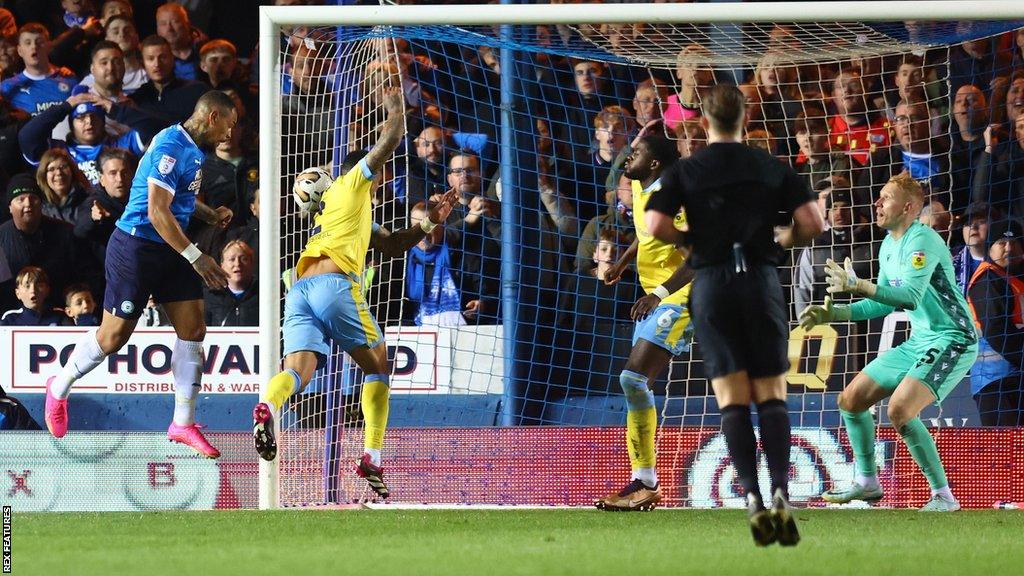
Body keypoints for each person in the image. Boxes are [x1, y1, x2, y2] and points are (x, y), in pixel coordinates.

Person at [252, 87, 458, 499]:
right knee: (378, 367)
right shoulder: (349, 186)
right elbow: (388, 143)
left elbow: (394, 245)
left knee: (298, 371)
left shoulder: (341, 218)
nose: (379, 179)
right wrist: (397, 110)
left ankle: (267, 408)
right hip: (333, 286)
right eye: (375, 175)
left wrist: (430, 222)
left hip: (299, 289)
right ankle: (372, 457)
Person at [645, 85, 825, 545]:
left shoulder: (686, 169)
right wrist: (783, 242)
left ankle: (751, 498)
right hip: (760, 282)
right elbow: (813, 224)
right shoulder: (771, 166)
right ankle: (783, 490)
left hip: (711, 286)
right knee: (771, 395)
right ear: (745, 118)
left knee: (732, 398)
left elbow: (656, 225)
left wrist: (693, 242)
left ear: (704, 122)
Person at [42, 91, 239, 459]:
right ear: (213, 117)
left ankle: (182, 422)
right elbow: (156, 212)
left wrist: (210, 216)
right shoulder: (170, 145)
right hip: (136, 248)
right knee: (113, 337)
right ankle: (60, 385)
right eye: (229, 124)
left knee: (193, 329)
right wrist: (196, 257)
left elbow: (177, 200)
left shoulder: (192, 149)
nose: (230, 133)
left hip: (170, 247)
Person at [799, 172, 979, 512]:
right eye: (879, 196)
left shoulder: (922, 241)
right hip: (920, 339)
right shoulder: (888, 244)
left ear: (908, 207)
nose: (877, 202)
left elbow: (910, 297)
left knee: (899, 410)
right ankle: (867, 482)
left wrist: (861, 285)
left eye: (885, 197)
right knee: (850, 400)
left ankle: (944, 496)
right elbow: (883, 303)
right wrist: (833, 314)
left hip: (953, 337)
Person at [591, 135, 692, 512]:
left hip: (683, 294)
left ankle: (646, 480)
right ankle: (644, 481)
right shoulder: (639, 184)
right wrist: (622, 261)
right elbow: (646, 232)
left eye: (637, 154)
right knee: (636, 383)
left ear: (654, 165)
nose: (628, 158)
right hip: (657, 295)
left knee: (632, 379)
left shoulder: (674, 200)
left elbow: (696, 257)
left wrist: (660, 292)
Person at [965, 219, 1024, 426]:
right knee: (1006, 451)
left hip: (1014, 377)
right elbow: (997, 331)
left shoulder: (1012, 278)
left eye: (1015, 242)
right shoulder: (987, 280)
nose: (1009, 247)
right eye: (1002, 242)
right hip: (995, 383)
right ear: (990, 247)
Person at [204, 239, 257, 326]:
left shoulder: (264, 294)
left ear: (252, 263)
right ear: (222, 265)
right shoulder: (211, 296)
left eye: (243, 259)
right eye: (232, 259)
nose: (237, 264)